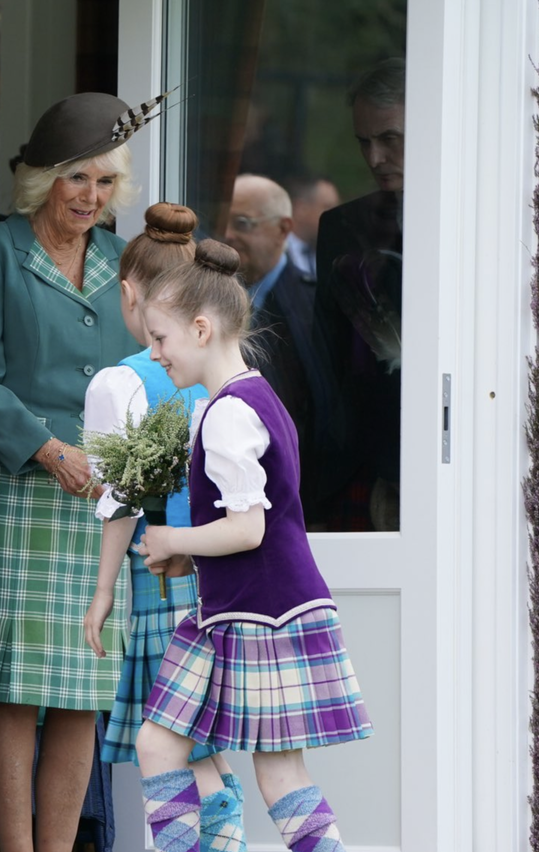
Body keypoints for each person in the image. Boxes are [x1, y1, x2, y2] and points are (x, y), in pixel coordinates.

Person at [89, 239, 395, 852]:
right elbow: (253, 524)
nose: (154, 355)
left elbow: (251, 528)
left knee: (276, 773)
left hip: (262, 613)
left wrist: (171, 541)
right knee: (163, 741)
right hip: (239, 606)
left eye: (159, 340)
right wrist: (191, 559)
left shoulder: (226, 416)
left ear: (200, 329)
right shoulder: (254, 397)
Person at [0, 91, 159, 852]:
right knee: (17, 686)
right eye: (77, 179)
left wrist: (129, 469)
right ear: (42, 179)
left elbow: (146, 377)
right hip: (19, 489)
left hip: (100, 498)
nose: (91, 198)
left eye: (105, 182)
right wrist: (46, 447)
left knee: (84, 689)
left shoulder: (125, 263)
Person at [81, 203, 271, 852]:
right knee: (202, 751)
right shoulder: (230, 376)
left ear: (131, 292)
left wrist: (103, 593)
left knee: (175, 749)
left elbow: (118, 498)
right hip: (223, 581)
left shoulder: (119, 381)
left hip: (164, 579)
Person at [312, 58, 405, 530]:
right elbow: (326, 359)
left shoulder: (476, 222)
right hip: (358, 459)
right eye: (364, 142)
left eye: (390, 139)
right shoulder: (340, 227)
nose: (374, 158)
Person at [222, 174, 321, 497]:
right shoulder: (211, 300)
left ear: (283, 229)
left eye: (242, 223)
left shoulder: (310, 309)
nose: (227, 235)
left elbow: (319, 414)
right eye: (224, 221)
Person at [284, 175, 339, 279]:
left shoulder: (331, 256)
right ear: (301, 209)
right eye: (328, 207)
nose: (335, 216)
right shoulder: (276, 253)